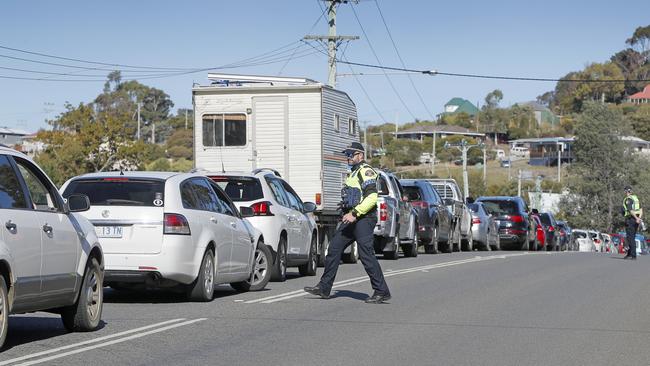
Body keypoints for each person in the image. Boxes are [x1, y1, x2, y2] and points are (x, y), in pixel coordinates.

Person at [304, 142, 391, 303]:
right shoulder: (353, 173)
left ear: (361, 156)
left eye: (351, 154)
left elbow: (372, 198)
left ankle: (381, 291)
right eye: (347, 155)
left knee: (366, 255)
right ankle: (324, 288)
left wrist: (355, 213)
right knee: (334, 249)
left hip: (363, 218)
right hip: (351, 218)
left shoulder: (366, 171)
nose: (348, 158)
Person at [622, 185, 642, 260]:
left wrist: (636, 218)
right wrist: (639, 218)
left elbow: (630, 211)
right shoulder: (635, 198)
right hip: (636, 219)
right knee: (631, 237)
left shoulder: (628, 199)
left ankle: (633, 255)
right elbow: (641, 210)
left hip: (631, 219)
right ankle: (629, 253)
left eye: (625, 191)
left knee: (630, 238)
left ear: (626, 191)